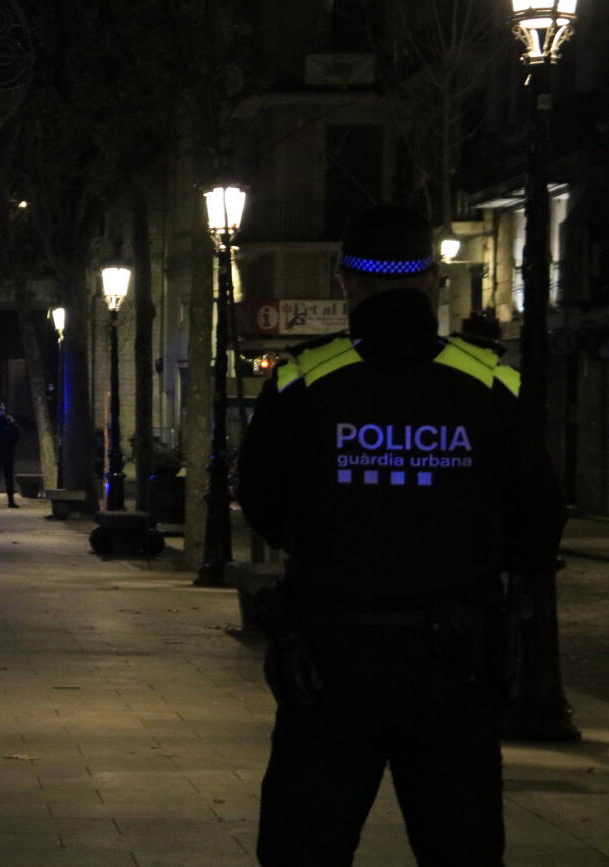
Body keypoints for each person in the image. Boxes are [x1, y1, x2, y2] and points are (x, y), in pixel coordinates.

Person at [237, 204, 566, 866]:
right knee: (461, 848)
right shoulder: (493, 383)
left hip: (330, 660)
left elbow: (261, 501)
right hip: (454, 660)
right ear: (433, 282)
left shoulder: (302, 381)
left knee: (304, 847)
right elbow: (539, 522)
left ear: (344, 282)